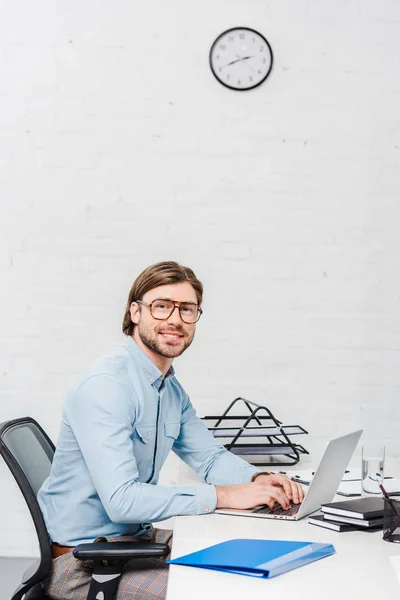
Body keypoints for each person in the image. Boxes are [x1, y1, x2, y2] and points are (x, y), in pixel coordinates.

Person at [38, 261, 304, 600]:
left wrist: (257, 480)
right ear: (135, 312)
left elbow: (209, 458)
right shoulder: (107, 386)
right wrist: (225, 495)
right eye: (161, 306)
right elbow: (122, 501)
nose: (175, 320)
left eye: (187, 309)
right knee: (226, 591)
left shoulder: (168, 388)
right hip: (85, 563)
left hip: (134, 541)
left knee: (259, 560)